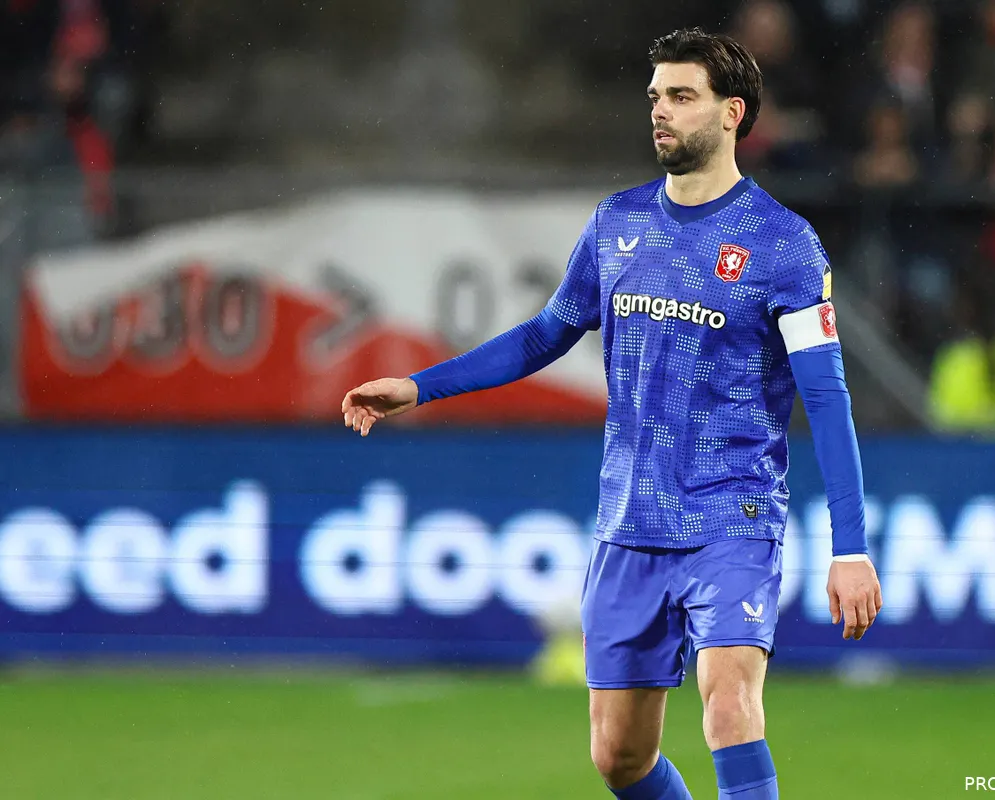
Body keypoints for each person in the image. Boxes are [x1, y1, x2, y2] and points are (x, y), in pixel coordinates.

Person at [341, 28, 881, 800]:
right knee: (618, 758)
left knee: (730, 705)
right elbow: (543, 335)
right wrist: (420, 386)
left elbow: (826, 398)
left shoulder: (783, 246)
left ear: (733, 114)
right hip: (629, 521)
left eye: (681, 96)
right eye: (656, 95)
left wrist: (850, 548)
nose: (660, 111)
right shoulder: (617, 225)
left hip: (733, 514)